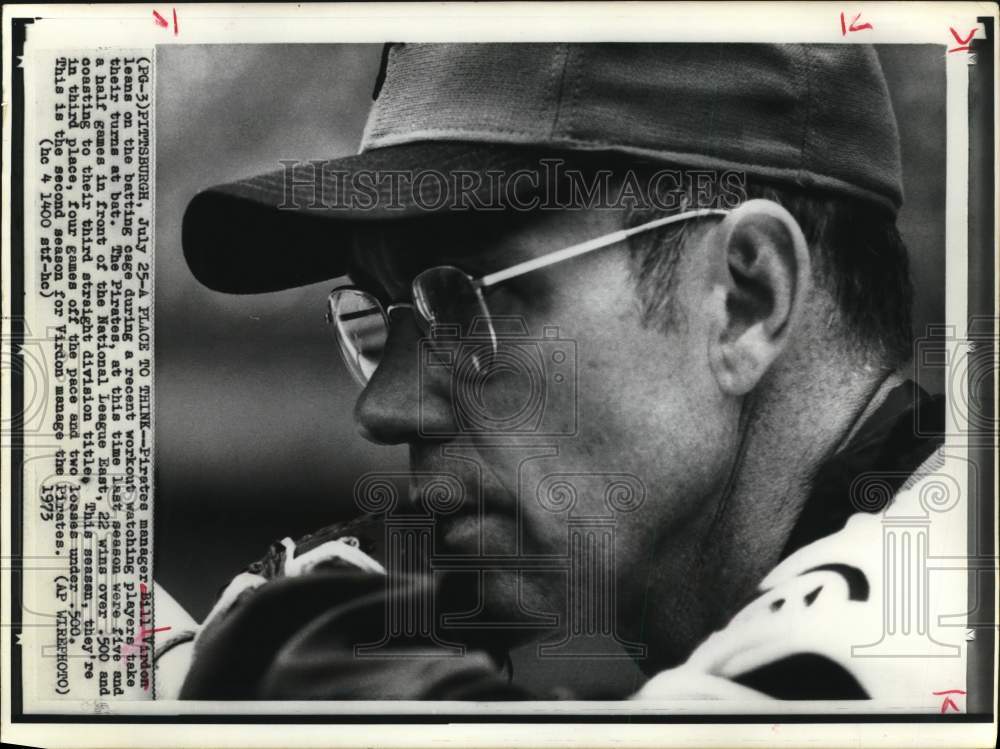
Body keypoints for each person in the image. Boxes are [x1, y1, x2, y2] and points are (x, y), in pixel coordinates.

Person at [163, 43, 960, 702]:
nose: (385, 404)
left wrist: (274, 645)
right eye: (380, 312)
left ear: (746, 299)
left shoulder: (920, 625)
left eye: (465, 301)